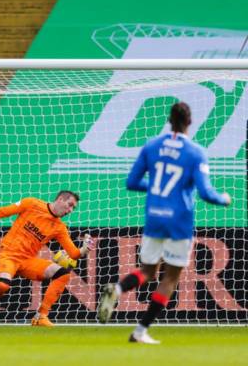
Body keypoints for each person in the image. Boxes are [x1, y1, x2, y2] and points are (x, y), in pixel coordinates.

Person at [97, 102, 231, 344]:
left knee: (147, 270)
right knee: (170, 277)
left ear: (169, 120)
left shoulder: (152, 145)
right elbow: (206, 193)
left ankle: (117, 289)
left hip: (154, 217)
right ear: (190, 122)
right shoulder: (195, 152)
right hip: (178, 222)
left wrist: (159, 192)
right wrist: (224, 199)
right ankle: (139, 332)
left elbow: (132, 182)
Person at [0, 191, 94, 327]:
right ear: (60, 199)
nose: (70, 210)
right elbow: (3, 211)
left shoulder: (59, 227)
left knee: (62, 274)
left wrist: (84, 249)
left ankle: (41, 316)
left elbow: (74, 254)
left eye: (73, 208)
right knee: (2, 286)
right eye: (69, 205)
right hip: (8, 254)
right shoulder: (31, 203)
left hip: (28, 260)